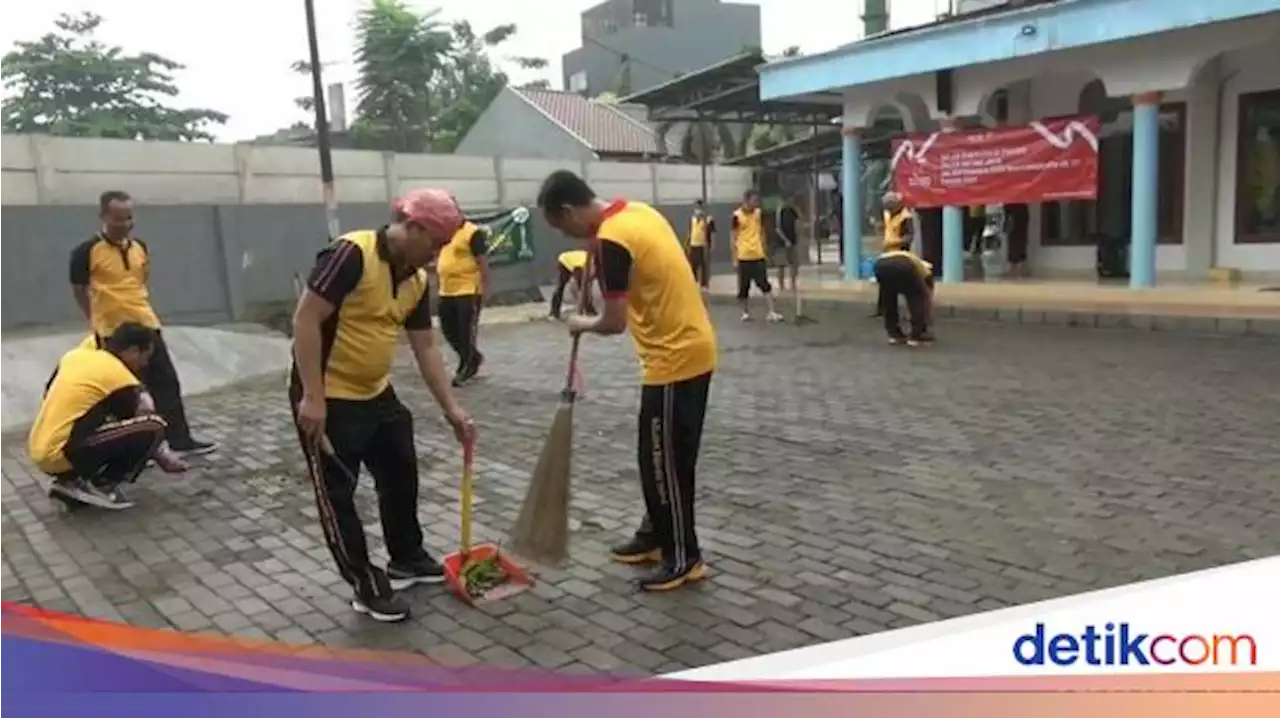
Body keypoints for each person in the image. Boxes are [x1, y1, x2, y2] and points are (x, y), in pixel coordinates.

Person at [291, 188, 476, 623]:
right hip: (329, 398)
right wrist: (313, 397)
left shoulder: (415, 278)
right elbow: (305, 319)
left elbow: (425, 346)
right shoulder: (351, 255)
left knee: (400, 471)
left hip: (377, 391)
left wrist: (452, 408)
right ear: (412, 228)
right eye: (434, 243)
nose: (436, 255)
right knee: (338, 496)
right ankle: (365, 584)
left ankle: (406, 557)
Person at [537, 170, 716, 592]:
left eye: (563, 228)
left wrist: (581, 320)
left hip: (674, 360)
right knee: (663, 460)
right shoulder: (635, 212)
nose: (567, 237)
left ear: (568, 211)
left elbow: (614, 322)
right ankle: (655, 535)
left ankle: (683, 558)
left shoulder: (612, 239)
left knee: (663, 465)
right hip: (688, 350)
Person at [69, 191, 217, 457]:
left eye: (129, 217)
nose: (125, 224)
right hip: (114, 333)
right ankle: (138, 451)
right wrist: (94, 318)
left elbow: (140, 281)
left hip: (147, 325)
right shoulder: (86, 252)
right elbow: (79, 289)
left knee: (166, 383)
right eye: (118, 218)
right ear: (103, 217)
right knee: (125, 394)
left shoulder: (140, 248)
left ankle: (179, 440)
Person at [28, 323, 188, 510]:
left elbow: (49, 392)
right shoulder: (119, 376)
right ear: (133, 351)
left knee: (105, 423)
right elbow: (142, 419)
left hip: (40, 450)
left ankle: (71, 482)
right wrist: (166, 459)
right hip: (62, 452)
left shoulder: (75, 356)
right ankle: (102, 486)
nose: (144, 365)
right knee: (153, 426)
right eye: (145, 357)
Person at [435, 213, 491, 387]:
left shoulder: (472, 233)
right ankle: (473, 357)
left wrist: (486, 287)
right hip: (446, 289)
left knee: (465, 331)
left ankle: (466, 367)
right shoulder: (445, 232)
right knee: (448, 330)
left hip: (468, 289)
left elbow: (482, 262)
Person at [874, 230, 935, 347]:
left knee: (889, 299)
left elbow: (882, 295)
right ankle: (916, 335)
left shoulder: (896, 254)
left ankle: (894, 334)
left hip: (880, 265)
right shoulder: (923, 265)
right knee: (917, 299)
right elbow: (926, 291)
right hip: (904, 266)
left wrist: (880, 307)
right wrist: (927, 304)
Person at [732, 189, 781, 323]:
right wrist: (734, 257)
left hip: (758, 255)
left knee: (764, 284)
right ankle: (745, 312)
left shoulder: (758, 214)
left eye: (757, 200)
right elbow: (733, 237)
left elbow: (762, 233)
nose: (756, 203)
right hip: (744, 256)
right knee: (744, 287)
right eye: (754, 200)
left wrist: (765, 251)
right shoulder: (737, 216)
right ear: (746, 200)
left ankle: (771, 311)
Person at [874, 192, 917, 319]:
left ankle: (911, 311)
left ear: (897, 205)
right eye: (886, 207)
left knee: (904, 283)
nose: (888, 209)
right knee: (884, 283)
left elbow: (909, 236)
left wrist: (895, 242)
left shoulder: (906, 217)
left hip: (901, 253)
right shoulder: (887, 214)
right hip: (887, 253)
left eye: (890, 207)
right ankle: (883, 310)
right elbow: (886, 228)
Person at [548, 249, 593, 320]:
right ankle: (553, 313)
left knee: (587, 287)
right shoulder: (581, 267)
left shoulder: (594, 264)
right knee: (561, 285)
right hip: (564, 261)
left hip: (577, 260)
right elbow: (581, 288)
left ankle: (589, 309)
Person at [772, 195, 801, 296]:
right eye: (789, 200)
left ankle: (792, 284)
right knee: (781, 265)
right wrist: (785, 240)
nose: (791, 202)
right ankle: (781, 286)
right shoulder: (780, 211)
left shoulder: (793, 211)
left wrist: (797, 237)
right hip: (781, 242)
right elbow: (778, 228)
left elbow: (798, 222)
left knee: (795, 264)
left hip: (793, 240)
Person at [687, 199, 715, 291]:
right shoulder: (692, 218)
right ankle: (694, 282)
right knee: (693, 264)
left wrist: (712, 245)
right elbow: (690, 231)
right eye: (696, 208)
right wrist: (688, 242)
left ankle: (704, 284)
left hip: (703, 245)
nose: (697, 210)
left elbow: (712, 232)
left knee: (704, 264)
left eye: (699, 208)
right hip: (693, 244)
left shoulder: (708, 219)